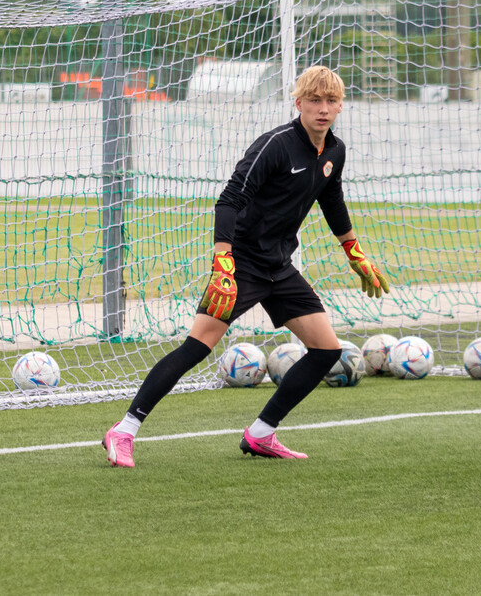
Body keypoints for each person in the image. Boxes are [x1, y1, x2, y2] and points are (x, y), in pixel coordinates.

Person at [102, 65, 391, 467]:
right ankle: (124, 430)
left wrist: (354, 253)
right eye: (314, 100)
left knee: (326, 350)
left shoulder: (335, 152)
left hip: (280, 267)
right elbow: (229, 200)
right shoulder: (274, 145)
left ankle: (260, 434)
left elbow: (332, 201)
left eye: (330, 101)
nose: (322, 109)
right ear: (299, 102)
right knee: (196, 347)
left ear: (340, 105)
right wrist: (223, 264)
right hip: (240, 266)